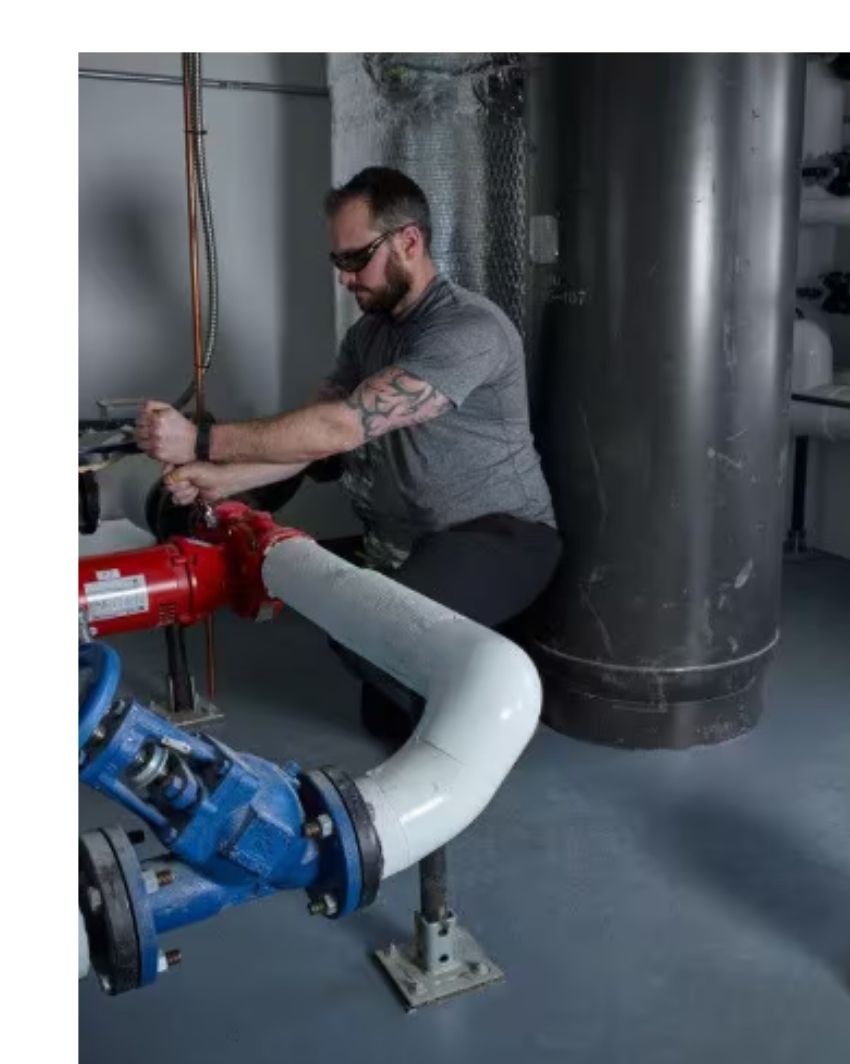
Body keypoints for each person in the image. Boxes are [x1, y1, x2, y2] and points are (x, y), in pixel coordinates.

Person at [135, 166, 560, 743]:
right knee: (379, 701)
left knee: (371, 640)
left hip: (500, 536)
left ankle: (473, 729)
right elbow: (313, 440)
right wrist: (221, 479)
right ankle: (446, 678)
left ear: (409, 241)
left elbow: (340, 427)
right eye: (338, 260)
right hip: (413, 542)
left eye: (356, 259)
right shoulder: (367, 336)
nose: (345, 277)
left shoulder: (469, 329)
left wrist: (201, 441)